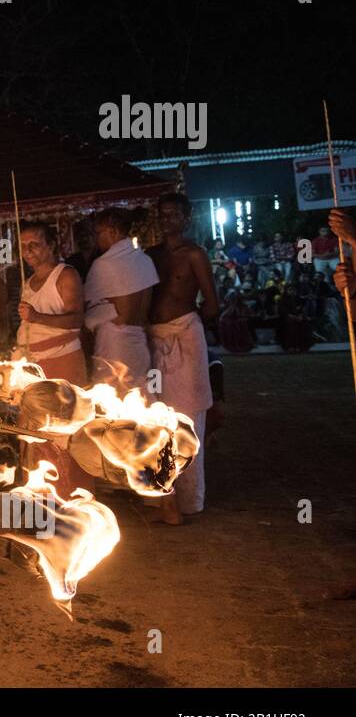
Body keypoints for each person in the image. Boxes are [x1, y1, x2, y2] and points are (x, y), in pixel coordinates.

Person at [146, 193, 219, 525]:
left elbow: (212, 303)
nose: (168, 219)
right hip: (154, 338)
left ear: (187, 218)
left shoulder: (194, 254)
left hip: (186, 337)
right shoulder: (150, 255)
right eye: (163, 214)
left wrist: (189, 326)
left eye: (175, 214)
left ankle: (191, 500)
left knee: (189, 418)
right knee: (157, 418)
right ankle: (163, 496)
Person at [15, 222, 91, 494]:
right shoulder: (28, 282)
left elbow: (77, 319)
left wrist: (37, 317)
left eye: (34, 244)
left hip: (63, 363)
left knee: (63, 435)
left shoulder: (65, 275)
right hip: (36, 369)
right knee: (36, 437)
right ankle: (43, 501)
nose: (28, 251)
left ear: (51, 244)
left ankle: (72, 499)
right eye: (23, 246)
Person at [84, 208, 158, 393]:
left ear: (113, 232)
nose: (97, 239)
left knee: (112, 399)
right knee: (141, 394)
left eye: (99, 233)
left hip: (114, 342)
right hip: (140, 340)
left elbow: (86, 305)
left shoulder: (103, 264)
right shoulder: (145, 260)